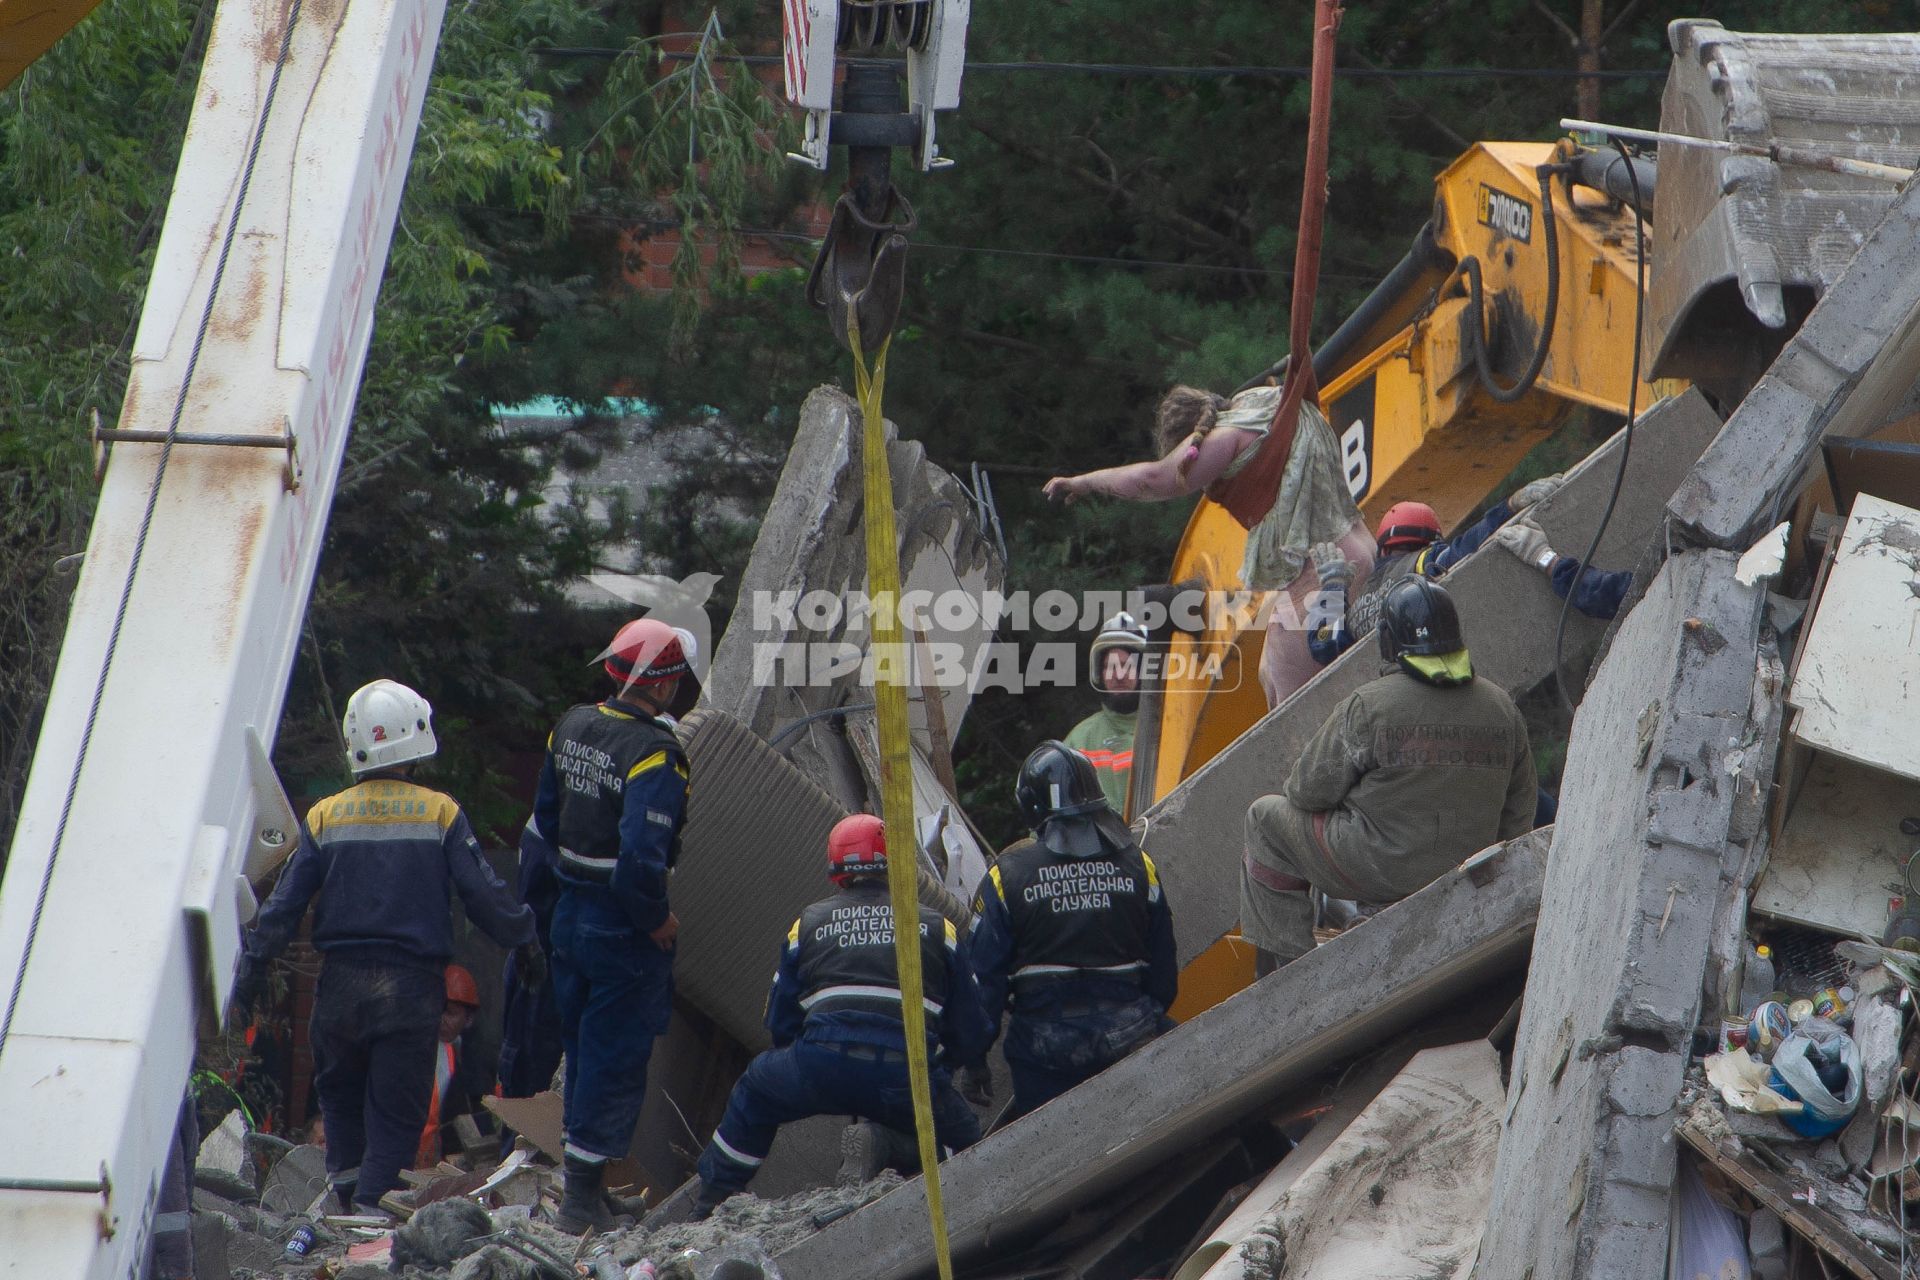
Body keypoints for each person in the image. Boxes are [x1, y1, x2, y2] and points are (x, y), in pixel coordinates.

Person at [233, 679, 540, 1216]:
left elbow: (282, 907)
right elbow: (483, 896)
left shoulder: (326, 815)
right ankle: (369, 1221)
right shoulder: (439, 813)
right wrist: (526, 940)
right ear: (417, 741)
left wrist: (252, 969)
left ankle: (350, 1211)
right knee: (396, 1125)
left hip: (339, 992)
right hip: (408, 990)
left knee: (344, 1119)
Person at [691, 814, 990, 1217]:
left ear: (836, 869)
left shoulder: (808, 924)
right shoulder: (938, 928)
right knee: (968, 1142)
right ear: (894, 863)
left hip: (821, 1063)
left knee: (755, 1092)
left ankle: (712, 1200)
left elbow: (780, 1020)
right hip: (906, 1076)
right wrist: (949, 1068)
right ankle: (888, 1146)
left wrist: (803, 1063)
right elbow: (970, 1025)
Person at [1242, 578, 1536, 975]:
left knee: (1263, 819)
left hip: (1378, 870)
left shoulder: (1370, 705)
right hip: (1469, 875)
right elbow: (1520, 815)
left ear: (1388, 640)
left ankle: (1295, 972)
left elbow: (1305, 790)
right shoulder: (1502, 707)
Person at [1044, 382, 1374, 708]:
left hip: (1324, 572)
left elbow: (1151, 480)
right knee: (1266, 672)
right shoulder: (1264, 402)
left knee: (1287, 703)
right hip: (1361, 546)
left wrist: (1081, 482)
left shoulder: (1225, 438)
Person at [533, 618, 693, 1234]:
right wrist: (655, 919)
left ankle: (590, 1193)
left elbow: (546, 820)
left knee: (582, 1052)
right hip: (619, 927)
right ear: (666, 683)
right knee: (613, 1061)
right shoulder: (655, 752)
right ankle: (579, 1203)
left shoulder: (571, 723)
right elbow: (641, 860)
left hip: (569, 916)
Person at [969, 743, 1178, 1121]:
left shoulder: (1007, 874)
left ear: (1031, 806)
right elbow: (1164, 972)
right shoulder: (1138, 863)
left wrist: (973, 1058)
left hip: (1044, 1049)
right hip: (1130, 1032)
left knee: (1051, 1146)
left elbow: (985, 983)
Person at [1305, 473, 1567, 665]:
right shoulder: (1423, 563)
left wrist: (1332, 587)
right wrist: (1508, 507)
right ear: (1431, 541)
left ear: (1382, 548)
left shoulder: (1359, 600)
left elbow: (1323, 647)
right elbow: (1465, 548)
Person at [1064, 612, 1149, 814]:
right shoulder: (1079, 741)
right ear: (1099, 674)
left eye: (1127, 665)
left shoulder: (1171, 729)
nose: (1118, 675)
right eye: (1110, 666)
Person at [415, 964, 480, 1168]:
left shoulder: (461, 1062)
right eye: (439, 1009)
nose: (442, 1019)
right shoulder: (412, 1045)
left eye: (451, 1013)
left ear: (468, 1019)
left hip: (424, 1165)